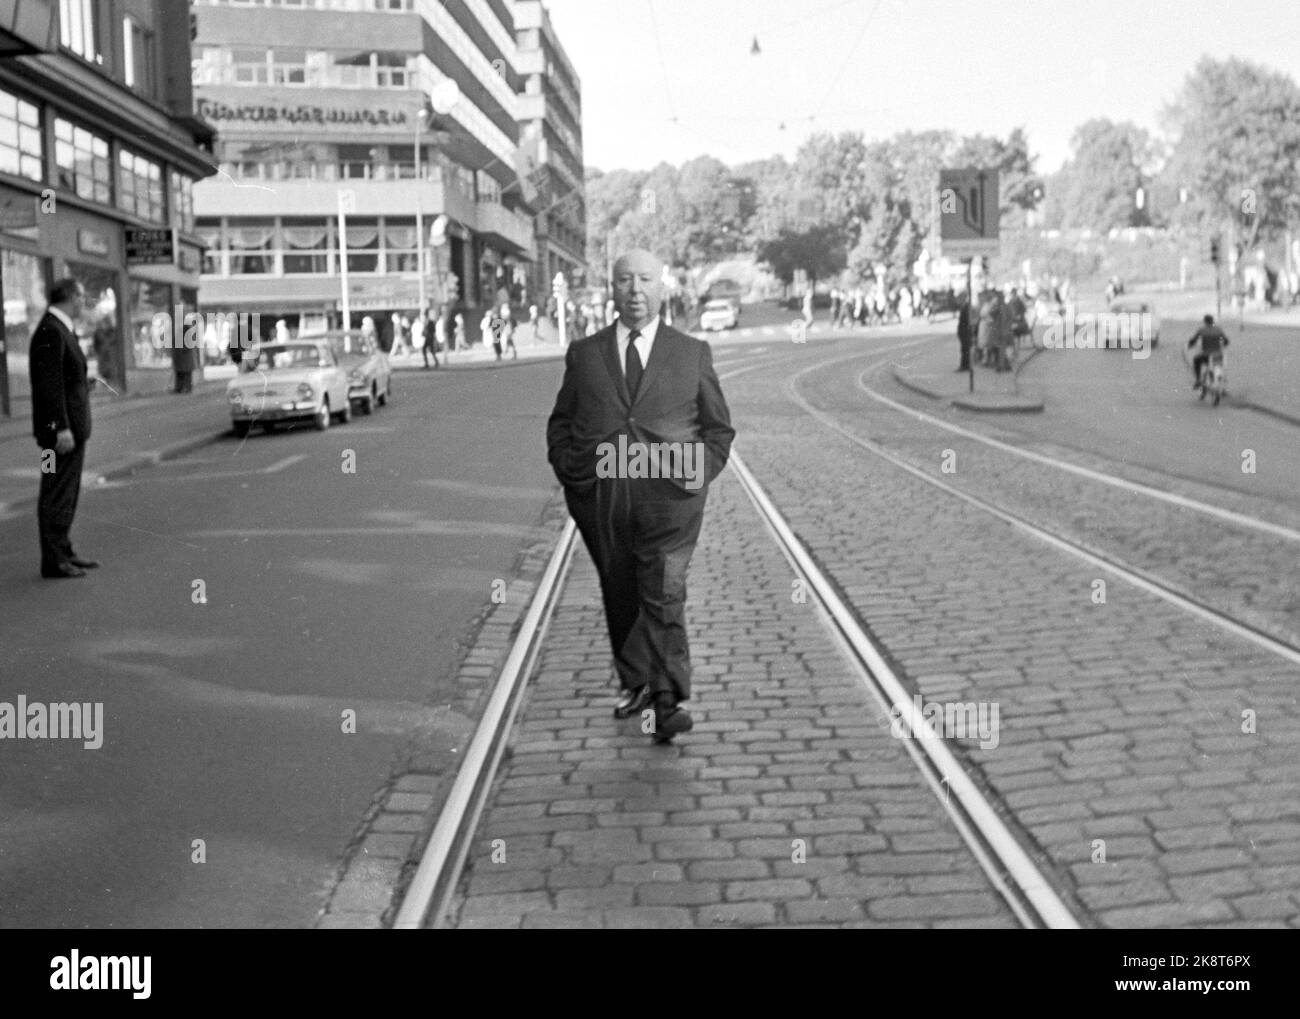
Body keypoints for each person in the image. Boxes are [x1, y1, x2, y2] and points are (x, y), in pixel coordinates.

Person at [546, 249, 735, 744]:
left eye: (645, 280)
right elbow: (562, 423)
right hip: (603, 496)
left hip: (670, 499)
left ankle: (668, 699)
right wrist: (574, 474)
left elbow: (718, 429)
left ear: (661, 288)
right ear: (612, 288)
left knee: (665, 591)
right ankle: (636, 682)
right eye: (625, 280)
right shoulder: (585, 354)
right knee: (620, 588)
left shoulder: (691, 353)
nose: (635, 290)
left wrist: (695, 481)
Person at [29, 278, 98, 579]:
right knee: (56, 492)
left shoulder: (60, 328)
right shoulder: (50, 330)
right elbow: (48, 387)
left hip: (69, 431)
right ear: (70, 297)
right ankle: (54, 560)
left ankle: (63, 549)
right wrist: (60, 429)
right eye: (82, 296)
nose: (84, 302)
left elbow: (64, 380)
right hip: (58, 436)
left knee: (65, 492)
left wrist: (84, 385)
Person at [1187, 314, 1229, 388]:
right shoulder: (1218, 329)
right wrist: (1222, 345)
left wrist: (1190, 345)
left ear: (1205, 321)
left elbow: (1193, 340)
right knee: (1219, 365)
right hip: (1218, 355)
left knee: (1196, 360)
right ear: (1212, 321)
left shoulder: (1202, 330)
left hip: (1206, 355)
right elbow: (1226, 341)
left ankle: (1198, 379)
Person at [956, 295, 973, 371]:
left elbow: (967, 320)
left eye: (959, 298)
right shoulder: (965, 306)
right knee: (965, 349)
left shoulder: (966, 307)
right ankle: (965, 365)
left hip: (965, 332)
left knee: (965, 349)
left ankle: (965, 366)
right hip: (963, 331)